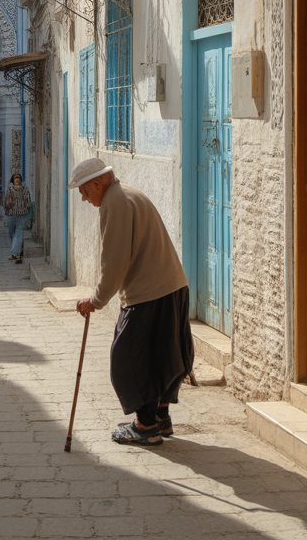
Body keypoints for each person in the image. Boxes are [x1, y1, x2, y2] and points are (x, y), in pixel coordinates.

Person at [70, 157, 194, 446]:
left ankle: (145, 424)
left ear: (98, 184)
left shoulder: (115, 203)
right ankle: (160, 417)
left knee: (128, 361)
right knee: (163, 357)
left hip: (147, 295)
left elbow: (114, 262)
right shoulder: (128, 193)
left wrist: (96, 300)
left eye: (84, 192)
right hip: (173, 287)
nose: (84, 199)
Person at [3, 172, 32, 263]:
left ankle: (16, 253)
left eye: (19, 178)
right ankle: (16, 252)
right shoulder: (10, 190)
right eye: (15, 178)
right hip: (11, 215)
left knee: (18, 234)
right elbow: (6, 202)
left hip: (22, 215)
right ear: (13, 180)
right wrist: (8, 206)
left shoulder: (25, 189)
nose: (17, 179)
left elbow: (28, 202)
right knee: (12, 233)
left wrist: (26, 209)